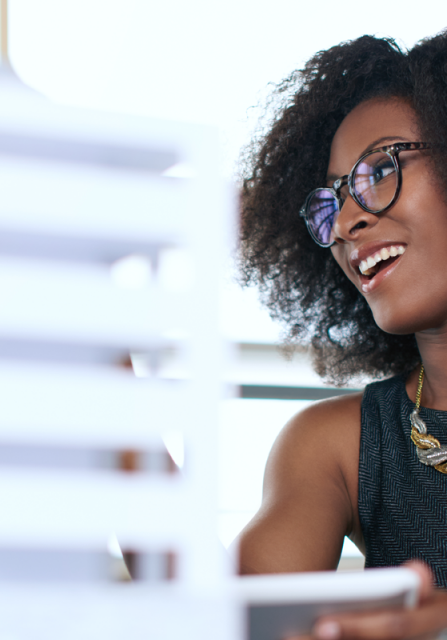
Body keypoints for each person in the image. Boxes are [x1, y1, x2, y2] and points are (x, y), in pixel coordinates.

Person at [237, 31, 447, 638]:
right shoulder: (339, 446)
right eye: (330, 203)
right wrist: (117, 415)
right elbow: (236, 621)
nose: (348, 221)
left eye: (380, 169)